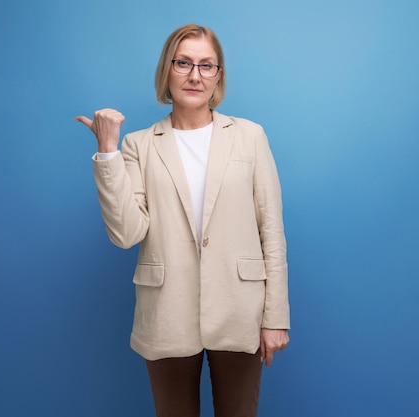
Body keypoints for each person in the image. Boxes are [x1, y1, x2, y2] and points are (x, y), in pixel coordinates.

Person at [76, 24, 290, 417]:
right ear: (167, 70)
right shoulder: (139, 145)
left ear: (218, 75)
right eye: (184, 63)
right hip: (166, 312)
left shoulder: (250, 137)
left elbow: (271, 230)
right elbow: (127, 234)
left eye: (207, 65)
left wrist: (276, 317)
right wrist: (108, 153)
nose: (195, 75)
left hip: (239, 308)